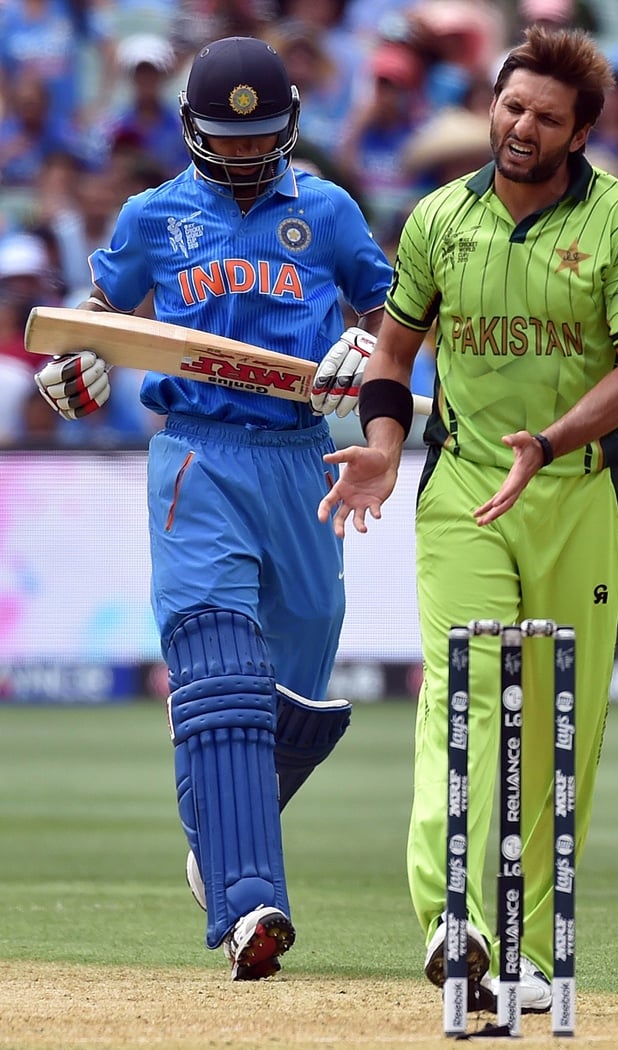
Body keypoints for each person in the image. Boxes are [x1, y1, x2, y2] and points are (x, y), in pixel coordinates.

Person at [317, 25, 618, 1016]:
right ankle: (455, 925)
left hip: (575, 490)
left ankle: (523, 936)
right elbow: (392, 357)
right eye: (511, 106)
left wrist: (550, 442)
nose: (520, 127)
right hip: (467, 487)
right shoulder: (437, 220)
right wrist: (384, 450)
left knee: (563, 722)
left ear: (581, 131)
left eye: (544, 117)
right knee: (467, 691)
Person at [33, 35, 393, 981]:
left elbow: (397, 315)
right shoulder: (154, 217)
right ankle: (250, 905)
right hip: (199, 455)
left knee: (299, 693)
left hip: (304, 458)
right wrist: (76, 368)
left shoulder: (326, 211)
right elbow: (92, 325)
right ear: (192, 129)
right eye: (226, 138)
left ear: (290, 131)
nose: (241, 154)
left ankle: (220, 819)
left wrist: (369, 346)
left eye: (259, 138)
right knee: (222, 671)